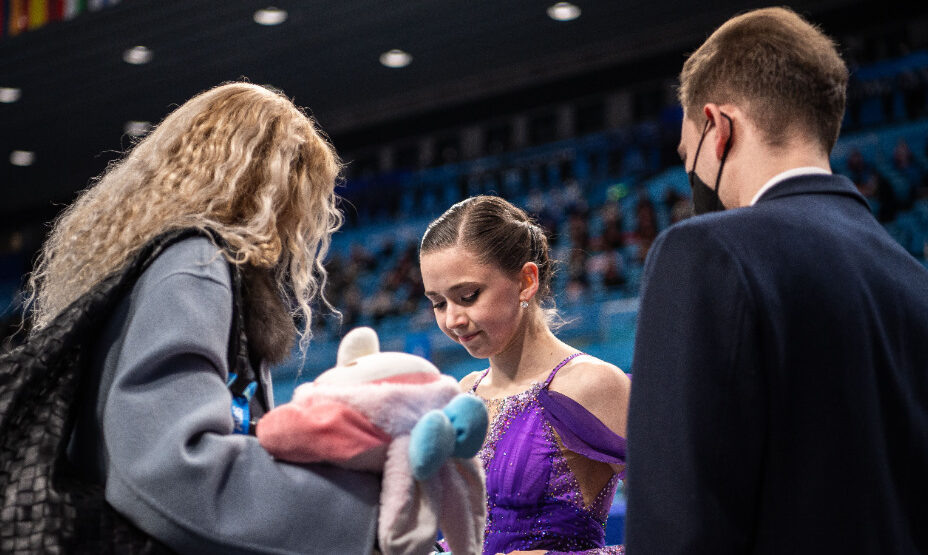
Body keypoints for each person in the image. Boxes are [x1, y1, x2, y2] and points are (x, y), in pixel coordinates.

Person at [25, 82, 379, 553]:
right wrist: (366, 516)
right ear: (271, 186)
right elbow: (172, 471)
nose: (305, 222)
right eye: (304, 194)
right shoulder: (197, 265)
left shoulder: (152, 266)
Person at [626, 7, 928, 554]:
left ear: (718, 129)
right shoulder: (913, 280)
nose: (690, 173)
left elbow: (678, 522)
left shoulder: (703, 253)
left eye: (686, 153)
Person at [419, 195, 631, 555]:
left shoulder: (590, 384)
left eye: (468, 296)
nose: (451, 320)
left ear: (526, 281)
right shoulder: (465, 392)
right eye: (438, 303)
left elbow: (686, 523)